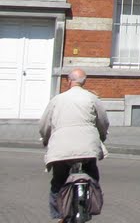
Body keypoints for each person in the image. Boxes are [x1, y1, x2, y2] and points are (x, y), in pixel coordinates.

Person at [39, 68, 109, 220]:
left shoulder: (57, 100)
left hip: (61, 149)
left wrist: (45, 138)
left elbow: (44, 124)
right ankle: (90, 205)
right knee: (93, 177)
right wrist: (101, 138)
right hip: (88, 149)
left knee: (58, 182)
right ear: (84, 82)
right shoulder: (92, 98)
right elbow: (103, 122)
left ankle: (59, 215)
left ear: (68, 81)